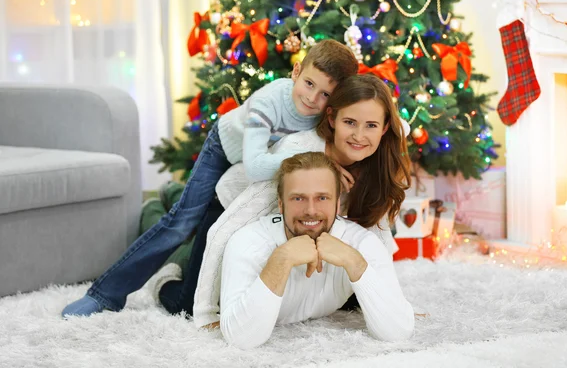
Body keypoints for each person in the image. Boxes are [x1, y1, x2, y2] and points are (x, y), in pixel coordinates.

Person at [61, 39, 359, 317]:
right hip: (226, 149)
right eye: (308, 83)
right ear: (296, 71)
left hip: (264, 159)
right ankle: (104, 294)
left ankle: (178, 193)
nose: (312, 98)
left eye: (325, 94)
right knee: (182, 223)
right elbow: (256, 167)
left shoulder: (326, 116)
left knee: (209, 213)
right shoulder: (270, 101)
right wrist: (319, 156)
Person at [148, 74, 412, 325]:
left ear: (385, 127)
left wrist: (395, 302)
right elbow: (224, 229)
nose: (358, 135)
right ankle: (168, 248)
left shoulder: (378, 160)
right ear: (332, 118)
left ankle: (177, 208)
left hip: (285, 221)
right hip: (232, 207)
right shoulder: (298, 152)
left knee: (351, 299)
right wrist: (207, 314)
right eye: (350, 123)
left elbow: (377, 236)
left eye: (371, 126)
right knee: (188, 306)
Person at [219, 152, 414, 348]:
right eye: (298, 198)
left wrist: (353, 261)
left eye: (322, 197)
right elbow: (240, 339)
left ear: (337, 204)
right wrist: (281, 259)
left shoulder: (361, 243)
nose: (311, 210)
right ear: (280, 204)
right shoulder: (248, 241)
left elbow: (398, 332)